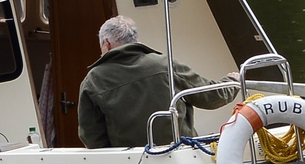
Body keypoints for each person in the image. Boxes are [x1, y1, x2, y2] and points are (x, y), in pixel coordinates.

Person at [77, 15, 240, 148]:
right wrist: (232, 81)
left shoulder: (93, 80)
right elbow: (210, 97)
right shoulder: (164, 64)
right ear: (134, 39)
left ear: (107, 43)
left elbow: (92, 138)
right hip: (179, 154)